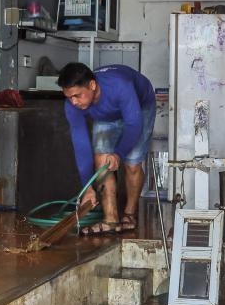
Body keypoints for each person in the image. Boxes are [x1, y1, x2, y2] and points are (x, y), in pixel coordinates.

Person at [58, 62, 156, 235]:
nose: (73, 102)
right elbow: (81, 146)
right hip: (105, 115)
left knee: (132, 163)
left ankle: (129, 214)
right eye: (69, 97)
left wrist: (119, 154)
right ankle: (110, 219)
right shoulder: (73, 106)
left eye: (77, 95)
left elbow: (134, 124)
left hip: (140, 107)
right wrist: (87, 188)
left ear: (92, 85)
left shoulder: (120, 86)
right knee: (102, 163)